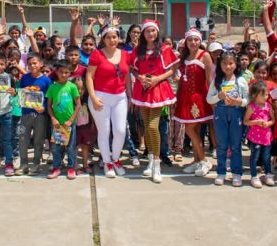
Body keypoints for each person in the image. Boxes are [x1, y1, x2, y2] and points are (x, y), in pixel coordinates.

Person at [130, 20, 178, 183]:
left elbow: (172, 69)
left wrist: (157, 78)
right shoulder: (138, 50)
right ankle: (150, 159)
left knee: (152, 125)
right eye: (147, 31)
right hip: (143, 89)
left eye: (153, 31)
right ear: (143, 34)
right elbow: (132, 68)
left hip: (158, 89)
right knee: (146, 125)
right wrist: (139, 77)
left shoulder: (164, 49)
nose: (151, 34)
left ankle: (157, 164)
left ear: (157, 32)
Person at [86, 24, 131, 178]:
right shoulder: (97, 55)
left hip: (120, 97)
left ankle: (116, 158)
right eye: (108, 37)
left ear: (118, 38)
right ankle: (107, 162)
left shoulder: (125, 54)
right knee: (104, 131)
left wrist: (129, 97)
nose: (112, 40)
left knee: (120, 130)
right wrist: (93, 97)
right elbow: (89, 77)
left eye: (115, 37)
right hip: (100, 97)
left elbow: (127, 78)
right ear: (103, 39)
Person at [174, 28, 214, 177]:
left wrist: (211, 99)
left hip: (199, 98)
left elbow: (209, 80)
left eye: (196, 39)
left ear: (200, 41)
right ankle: (197, 160)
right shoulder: (183, 58)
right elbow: (178, 79)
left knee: (191, 130)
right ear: (186, 42)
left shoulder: (205, 56)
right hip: (185, 97)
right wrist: (177, 97)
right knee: (193, 130)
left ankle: (204, 160)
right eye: (190, 40)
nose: (193, 42)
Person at [207, 51, 248, 186]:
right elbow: (209, 99)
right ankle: (221, 172)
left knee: (236, 145)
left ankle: (236, 173)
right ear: (220, 65)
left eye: (230, 63)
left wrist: (239, 102)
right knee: (222, 145)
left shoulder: (241, 81)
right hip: (220, 114)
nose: (228, 66)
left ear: (235, 65)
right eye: (224, 63)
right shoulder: (217, 81)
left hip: (236, 113)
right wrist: (218, 97)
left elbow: (247, 100)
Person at [46, 60, 81, 180]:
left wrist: (71, 120)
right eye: (62, 72)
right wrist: (53, 118)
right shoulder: (52, 87)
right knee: (56, 147)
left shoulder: (72, 87)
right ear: (57, 72)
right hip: (57, 124)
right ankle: (56, 167)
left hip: (69, 124)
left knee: (71, 147)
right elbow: (49, 105)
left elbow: (78, 105)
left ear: (70, 73)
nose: (64, 75)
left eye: (67, 72)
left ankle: (71, 168)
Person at [243, 80, 275, 188]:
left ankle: (268, 174)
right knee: (254, 157)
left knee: (266, 157)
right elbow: (245, 121)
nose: (266, 97)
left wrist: (268, 123)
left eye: (266, 94)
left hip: (266, 137)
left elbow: (273, 120)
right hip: (255, 137)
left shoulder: (268, 106)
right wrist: (256, 122)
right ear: (255, 95)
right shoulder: (251, 107)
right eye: (263, 95)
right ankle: (254, 176)